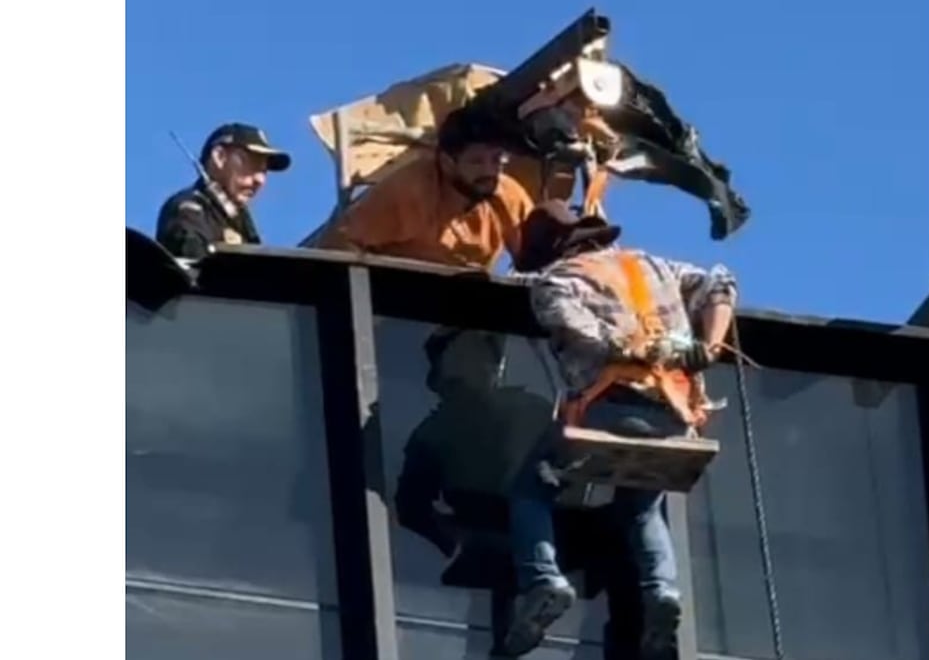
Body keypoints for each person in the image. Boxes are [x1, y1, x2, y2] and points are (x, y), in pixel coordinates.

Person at [501, 200, 739, 658]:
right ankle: (662, 590)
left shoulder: (557, 281)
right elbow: (720, 284)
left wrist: (635, 347)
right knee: (641, 508)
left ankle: (544, 580)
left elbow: (583, 332)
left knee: (532, 489)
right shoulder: (653, 266)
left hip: (610, 411)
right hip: (674, 418)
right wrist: (708, 347)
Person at [313, 106, 535, 270]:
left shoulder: (507, 195)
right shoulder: (408, 192)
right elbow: (338, 245)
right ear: (447, 163)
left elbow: (538, 258)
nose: (489, 171)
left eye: (497, 159)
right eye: (476, 161)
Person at [156, 123, 291, 258]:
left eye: (264, 171)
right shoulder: (189, 211)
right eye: (252, 164)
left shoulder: (243, 224)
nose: (260, 180)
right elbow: (195, 264)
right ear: (220, 157)